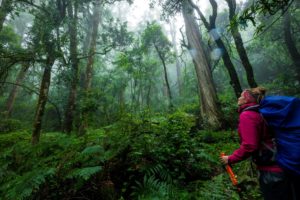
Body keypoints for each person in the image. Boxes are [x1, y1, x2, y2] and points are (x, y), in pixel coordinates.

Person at [220, 87, 292, 200]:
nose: (238, 98)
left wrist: (230, 158)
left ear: (247, 100)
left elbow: (250, 145)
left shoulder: (247, 115)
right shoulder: (260, 112)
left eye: (241, 96)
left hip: (271, 172)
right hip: (283, 164)